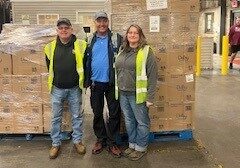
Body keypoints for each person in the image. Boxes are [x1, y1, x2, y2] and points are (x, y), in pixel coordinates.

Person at [44, 18, 87, 159]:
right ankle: (55, 143)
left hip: (75, 88)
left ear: (71, 29)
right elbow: (49, 66)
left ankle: (77, 141)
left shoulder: (81, 45)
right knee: (56, 118)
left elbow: (85, 65)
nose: (63, 30)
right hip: (57, 88)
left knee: (77, 116)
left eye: (66, 28)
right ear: (57, 30)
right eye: (60, 28)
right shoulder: (49, 47)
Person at [115, 24, 157, 161]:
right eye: (130, 33)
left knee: (142, 122)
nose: (132, 35)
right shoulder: (122, 50)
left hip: (137, 94)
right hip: (123, 93)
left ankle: (141, 147)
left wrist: (150, 97)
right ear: (126, 35)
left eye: (135, 33)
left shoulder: (146, 51)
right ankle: (132, 145)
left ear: (140, 36)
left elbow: (152, 75)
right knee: (129, 121)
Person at [84, 11, 123, 157]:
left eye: (104, 21)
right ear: (95, 23)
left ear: (108, 22)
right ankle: (100, 139)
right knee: (97, 112)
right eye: (99, 21)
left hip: (113, 83)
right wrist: (86, 81)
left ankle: (112, 142)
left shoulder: (116, 38)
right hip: (95, 83)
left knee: (114, 113)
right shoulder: (89, 40)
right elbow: (84, 61)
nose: (102, 24)